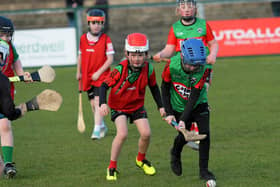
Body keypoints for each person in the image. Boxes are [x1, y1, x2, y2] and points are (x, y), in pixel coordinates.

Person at [99, 33, 166, 181]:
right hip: (119, 106)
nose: (137, 59)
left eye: (140, 55)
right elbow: (104, 86)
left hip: (136, 105)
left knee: (146, 134)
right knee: (122, 134)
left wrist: (161, 106)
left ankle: (141, 160)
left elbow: (154, 88)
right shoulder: (120, 69)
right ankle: (112, 167)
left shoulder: (148, 69)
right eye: (133, 55)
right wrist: (102, 103)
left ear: (146, 54)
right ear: (126, 54)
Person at [153, 0, 218, 150]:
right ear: (178, 10)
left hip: (203, 67)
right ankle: (187, 130)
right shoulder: (175, 28)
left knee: (201, 91)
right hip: (183, 68)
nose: (187, 10)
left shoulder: (203, 25)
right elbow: (169, 49)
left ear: (195, 8)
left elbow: (213, 43)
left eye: (189, 6)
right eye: (183, 7)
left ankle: (194, 131)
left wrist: (213, 55)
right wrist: (161, 54)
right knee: (186, 98)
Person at [161, 38, 216, 183]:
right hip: (177, 105)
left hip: (198, 103)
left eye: (196, 65)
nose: (193, 68)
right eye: (190, 65)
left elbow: (194, 95)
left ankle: (204, 171)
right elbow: (165, 88)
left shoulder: (203, 68)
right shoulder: (171, 65)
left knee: (204, 135)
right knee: (183, 136)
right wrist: (169, 112)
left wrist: (184, 120)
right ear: (182, 56)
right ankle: (175, 152)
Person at [0, 16, 31, 179]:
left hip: (4, 92)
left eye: (9, 35)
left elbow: (16, 62)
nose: (7, 38)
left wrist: (21, 75)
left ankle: (9, 163)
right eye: (4, 35)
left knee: (5, 125)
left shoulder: (10, 47)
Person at [76, 9, 114, 140]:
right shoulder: (82, 39)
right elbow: (80, 56)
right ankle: (102, 125)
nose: (96, 25)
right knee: (93, 104)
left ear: (103, 24)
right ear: (89, 23)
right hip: (87, 76)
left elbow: (110, 59)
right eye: (94, 22)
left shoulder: (106, 39)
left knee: (98, 101)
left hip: (102, 76)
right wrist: (78, 72)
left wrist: (99, 72)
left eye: (99, 22)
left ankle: (96, 130)